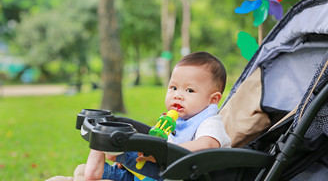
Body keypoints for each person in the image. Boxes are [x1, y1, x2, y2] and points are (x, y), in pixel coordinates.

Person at [47, 51, 231, 181]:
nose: (177, 95)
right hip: (147, 173)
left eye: (189, 90)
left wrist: (163, 153)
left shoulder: (210, 123)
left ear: (213, 99)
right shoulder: (178, 121)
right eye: (173, 87)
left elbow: (206, 145)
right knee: (82, 170)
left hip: (175, 177)